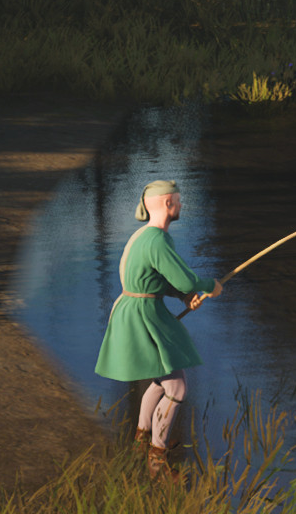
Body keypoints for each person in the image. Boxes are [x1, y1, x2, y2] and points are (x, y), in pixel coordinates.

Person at [94, 179, 222, 482]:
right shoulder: (158, 241)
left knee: (160, 376)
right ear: (167, 203)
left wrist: (181, 298)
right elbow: (186, 279)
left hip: (137, 309)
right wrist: (209, 286)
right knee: (177, 387)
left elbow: (159, 280)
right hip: (142, 314)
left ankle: (141, 439)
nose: (181, 205)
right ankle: (157, 457)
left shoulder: (144, 236)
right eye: (178, 200)